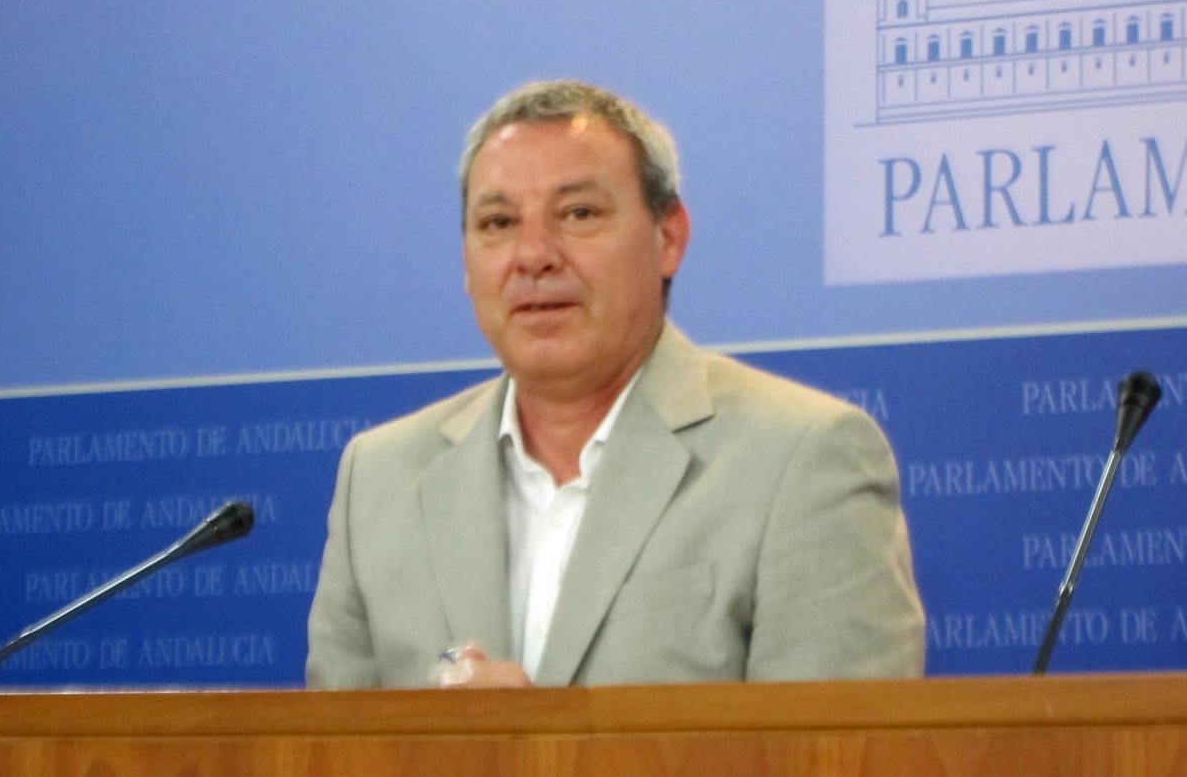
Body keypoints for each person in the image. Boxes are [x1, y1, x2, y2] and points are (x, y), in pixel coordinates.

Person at [305, 80, 925, 689]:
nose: (533, 255)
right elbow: (326, 744)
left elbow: (841, 744)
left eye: (578, 214)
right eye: (498, 222)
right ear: (466, 261)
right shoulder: (379, 479)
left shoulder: (803, 457)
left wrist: (537, 742)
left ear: (668, 237)